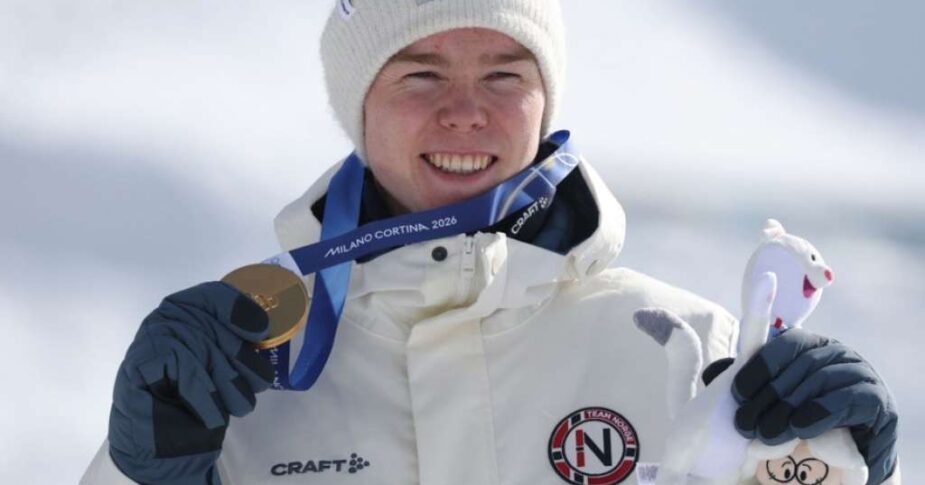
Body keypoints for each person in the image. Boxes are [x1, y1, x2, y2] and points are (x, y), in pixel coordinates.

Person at [81, 1, 900, 484]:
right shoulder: (236, 370)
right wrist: (142, 467)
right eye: (421, 75)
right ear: (358, 107)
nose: (466, 113)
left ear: (545, 102)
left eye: (504, 75)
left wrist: (845, 463)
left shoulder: (686, 349)